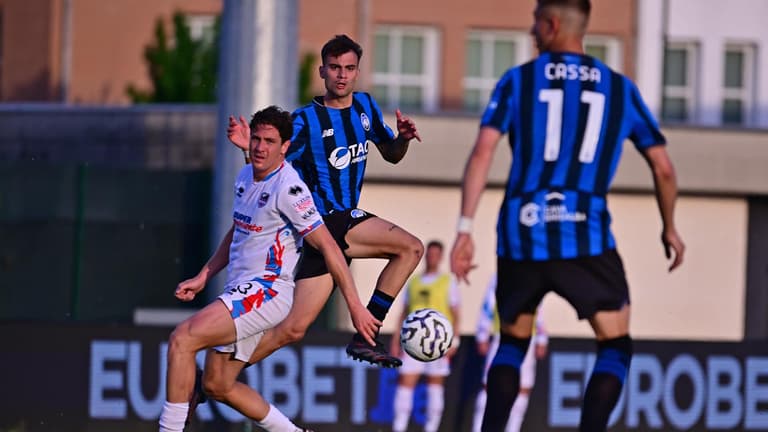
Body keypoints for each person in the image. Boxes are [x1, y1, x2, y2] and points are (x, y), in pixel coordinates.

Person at [449, 1, 685, 431]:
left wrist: (464, 229)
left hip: (522, 232)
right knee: (615, 345)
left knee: (513, 343)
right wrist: (668, 225)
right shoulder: (620, 88)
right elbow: (664, 168)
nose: (532, 32)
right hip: (585, 235)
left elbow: (483, 151)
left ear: (552, 24)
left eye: (536, 22)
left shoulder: (518, 80)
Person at [158, 106, 380, 432]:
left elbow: (330, 247)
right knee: (218, 384)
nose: (260, 147)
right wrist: (204, 275)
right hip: (241, 289)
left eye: (269, 141)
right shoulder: (245, 176)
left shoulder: (289, 190)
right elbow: (239, 229)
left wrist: (356, 306)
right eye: (257, 139)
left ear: (285, 147)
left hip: (267, 290)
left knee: (182, 339)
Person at [224, 34, 423, 371]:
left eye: (348, 68)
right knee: (411, 248)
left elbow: (391, 155)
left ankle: (217, 373)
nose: (341, 75)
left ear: (357, 72)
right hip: (326, 219)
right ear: (322, 71)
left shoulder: (366, 107)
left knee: (292, 329)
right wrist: (248, 148)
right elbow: (270, 164)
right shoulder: (303, 121)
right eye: (334, 68)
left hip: (326, 238)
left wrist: (402, 139)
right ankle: (367, 333)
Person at [389, 240, 460, 432]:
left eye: (436, 255)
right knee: (405, 383)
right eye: (430, 254)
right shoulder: (414, 282)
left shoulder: (447, 282)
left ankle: (431, 428)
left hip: (438, 342)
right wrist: (396, 340)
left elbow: (456, 312)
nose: (432, 258)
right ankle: (399, 427)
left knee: (434, 386)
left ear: (441, 257)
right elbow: (403, 312)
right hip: (412, 340)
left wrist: (455, 340)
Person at [472, 274, 547, 432]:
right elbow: (488, 304)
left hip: (529, 338)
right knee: (489, 385)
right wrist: (483, 333)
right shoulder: (500, 276)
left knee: (523, 388)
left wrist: (542, 338)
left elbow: (538, 309)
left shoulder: (533, 275)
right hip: (503, 336)